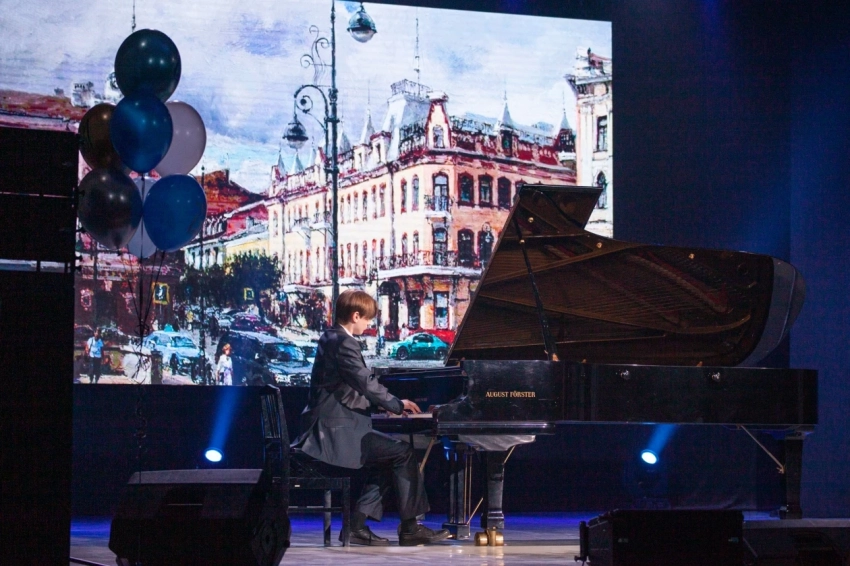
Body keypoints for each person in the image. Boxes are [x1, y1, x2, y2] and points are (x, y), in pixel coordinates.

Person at [295, 289, 449, 547]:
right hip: (332, 431)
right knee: (402, 452)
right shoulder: (343, 342)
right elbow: (365, 382)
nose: (368, 325)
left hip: (331, 425)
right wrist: (396, 404)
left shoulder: (331, 338)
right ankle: (409, 528)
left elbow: (346, 390)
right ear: (356, 316)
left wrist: (381, 406)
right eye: (367, 319)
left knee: (391, 456)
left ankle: (356, 527)